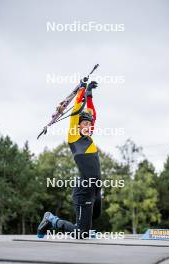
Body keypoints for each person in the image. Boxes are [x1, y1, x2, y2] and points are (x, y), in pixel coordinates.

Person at [37, 80, 101, 239]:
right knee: (81, 234)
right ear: (78, 126)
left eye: (88, 124)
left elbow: (92, 114)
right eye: (84, 123)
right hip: (83, 191)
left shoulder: (89, 140)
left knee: (97, 212)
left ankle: (85, 226)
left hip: (94, 189)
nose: (87, 126)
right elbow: (78, 107)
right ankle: (51, 220)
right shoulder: (74, 136)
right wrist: (81, 90)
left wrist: (90, 95)